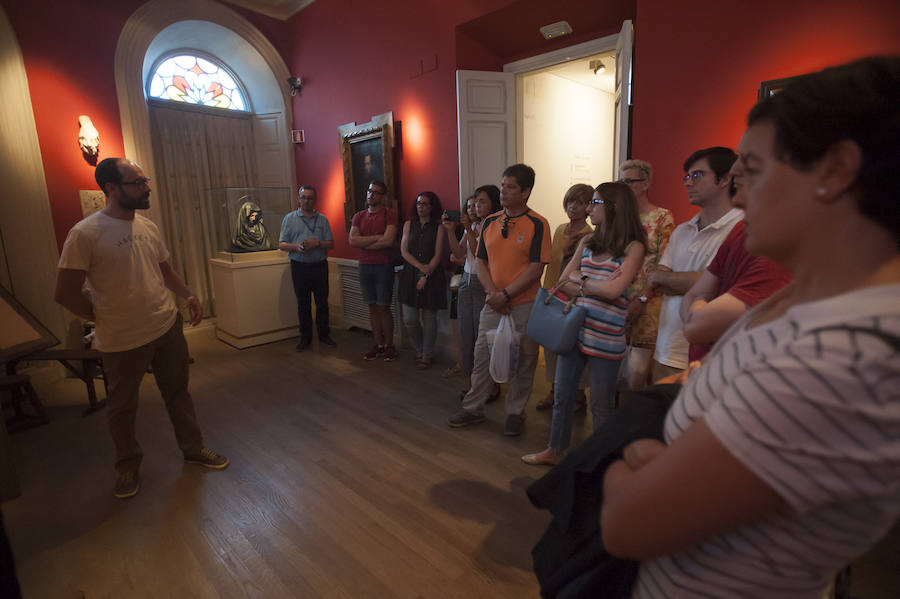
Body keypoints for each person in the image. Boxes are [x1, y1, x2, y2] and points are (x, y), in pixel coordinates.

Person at [600, 56, 900, 597]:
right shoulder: (810, 300)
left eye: (753, 172)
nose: (739, 195)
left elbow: (627, 522)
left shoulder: (842, 357)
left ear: (834, 172)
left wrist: (635, 460)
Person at [55, 157, 229, 500]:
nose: (146, 186)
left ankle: (193, 449)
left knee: (178, 393)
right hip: (121, 340)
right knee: (122, 407)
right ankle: (127, 467)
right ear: (112, 189)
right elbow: (64, 293)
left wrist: (189, 294)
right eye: (137, 182)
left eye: (145, 180)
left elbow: (164, 272)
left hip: (165, 326)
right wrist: (103, 316)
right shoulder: (85, 234)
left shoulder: (147, 226)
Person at [522, 183, 647, 466]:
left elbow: (615, 292)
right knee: (563, 396)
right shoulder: (588, 242)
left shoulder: (633, 247)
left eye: (595, 203)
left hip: (606, 337)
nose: (589, 208)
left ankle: (601, 461)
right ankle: (555, 449)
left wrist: (584, 282)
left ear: (614, 207)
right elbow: (565, 281)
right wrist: (595, 285)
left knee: (601, 405)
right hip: (575, 331)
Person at [447, 164, 552, 436]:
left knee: (525, 359)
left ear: (526, 191)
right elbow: (480, 261)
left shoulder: (538, 224)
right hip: (492, 301)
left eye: (511, 186)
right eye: (503, 185)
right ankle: (473, 407)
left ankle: (515, 412)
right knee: (482, 354)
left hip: (524, 303)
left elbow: (535, 268)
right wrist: (494, 294)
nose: (503, 190)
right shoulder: (491, 222)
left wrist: (506, 295)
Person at [647, 147, 742, 382]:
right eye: (686, 177)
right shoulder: (682, 230)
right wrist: (692, 281)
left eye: (697, 176)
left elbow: (718, 287)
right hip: (667, 345)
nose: (688, 182)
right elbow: (656, 278)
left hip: (707, 354)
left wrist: (670, 280)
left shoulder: (740, 229)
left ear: (724, 179)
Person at [679, 181, 793, 362]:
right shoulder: (741, 229)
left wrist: (698, 315)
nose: (737, 200)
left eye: (753, 173)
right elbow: (693, 295)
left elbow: (697, 325)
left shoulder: (779, 244)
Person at [535, 184, 594, 412]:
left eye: (580, 202)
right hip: (554, 295)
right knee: (551, 347)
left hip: (575, 299)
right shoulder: (560, 229)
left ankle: (579, 394)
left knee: (573, 347)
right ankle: (553, 391)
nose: (573, 206)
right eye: (570, 201)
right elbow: (553, 264)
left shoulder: (590, 235)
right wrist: (547, 291)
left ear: (589, 206)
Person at [616, 160, 675, 390]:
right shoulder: (616, 218)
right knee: (614, 371)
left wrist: (642, 298)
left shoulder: (662, 217)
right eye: (620, 182)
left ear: (645, 184)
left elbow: (663, 264)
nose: (624, 187)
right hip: (615, 298)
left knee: (637, 373)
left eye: (629, 182)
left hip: (647, 302)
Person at [442, 185, 502, 398]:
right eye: (475, 203)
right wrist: (450, 230)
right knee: (467, 336)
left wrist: (468, 230)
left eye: (481, 201)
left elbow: (480, 254)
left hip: (485, 283)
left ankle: (492, 384)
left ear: (494, 203)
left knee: (484, 338)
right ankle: (474, 384)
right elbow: (459, 253)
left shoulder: (495, 226)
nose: (476, 206)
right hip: (467, 281)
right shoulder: (476, 225)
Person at [278, 185, 335, 352]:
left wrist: (318, 243)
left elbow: (331, 244)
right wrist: (296, 247)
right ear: (299, 199)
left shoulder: (323, 220)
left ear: (315, 200)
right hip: (299, 266)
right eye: (304, 197)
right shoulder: (289, 219)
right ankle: (305, 338)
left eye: (310, 198)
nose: (306, 201)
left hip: (319, 266)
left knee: (322, 302)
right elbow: (281, 244)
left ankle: (324, 335)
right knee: (303, 303)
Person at [349, 180, 399, 361]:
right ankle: (377, 343)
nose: (371, 195)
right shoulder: (358, 216)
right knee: (371, 306)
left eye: (376, 192)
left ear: (382, 196)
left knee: (383, 307)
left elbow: (388, 241)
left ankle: (389, 345)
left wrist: (366, 241)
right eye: (370, 191)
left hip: (383, 265)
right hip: (364, 265)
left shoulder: (389, 214)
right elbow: (352, 241)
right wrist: (377, 237)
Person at [398, 191, 447, 368]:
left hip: (432, 275)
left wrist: (426, 274)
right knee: (409, 318)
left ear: (432, 206)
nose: (421, 207)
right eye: (419, 203)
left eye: (425, 204)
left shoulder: (439, 227)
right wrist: (421, 268)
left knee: (429, 317)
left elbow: (438, 254)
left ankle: (427, 354)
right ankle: (418, 348)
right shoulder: (408, 224)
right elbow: (404, 251)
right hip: (410, 273)